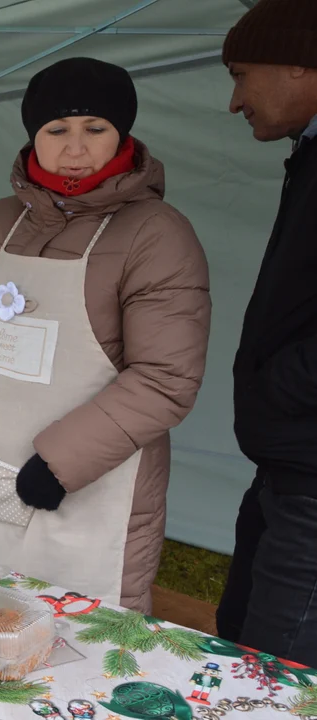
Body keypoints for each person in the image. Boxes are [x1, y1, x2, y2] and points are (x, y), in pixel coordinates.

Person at [0, 57, 211, 612]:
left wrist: (60, 464)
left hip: (88, 486)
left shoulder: (157, 233)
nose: (75, 147)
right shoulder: (1, 220)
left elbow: (166, 377)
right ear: (33, 137)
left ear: (122, 133)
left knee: (73, 644)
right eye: (57, 130)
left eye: (95, 129)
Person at [217, 0, 317, 665]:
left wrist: (281, 383)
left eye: (241, 74)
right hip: (286, 462)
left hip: (309, 464)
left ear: (299, 64)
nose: (234, 101)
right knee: (238, 636)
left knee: (277, 674)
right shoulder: (308, 154)